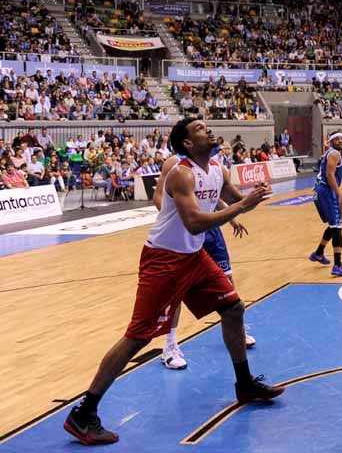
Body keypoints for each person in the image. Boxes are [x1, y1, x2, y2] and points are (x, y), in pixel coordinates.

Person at [63, 118, 280, 446]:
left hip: (193, 257)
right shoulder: (181, 173)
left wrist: (256, 195)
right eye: (200, 129)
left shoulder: (217, 168)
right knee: (138, 337)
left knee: (233, 308)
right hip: (163, 259)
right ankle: (84, 413)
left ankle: (245, 384)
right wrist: (240, 205)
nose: (208, 130)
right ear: (188, 144)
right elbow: (194, 223)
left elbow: (238, 199)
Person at [153, 146, 254, 371]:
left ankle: (237, 330)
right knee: (176, 291)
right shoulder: (174, 164)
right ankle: (169, 346)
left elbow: (213, 197)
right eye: (201, 130)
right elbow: (158, 196)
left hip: (210, 230)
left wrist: (232, 219)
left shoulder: (213, 166)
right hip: (184, 233)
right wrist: (173, 218)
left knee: (227, 281)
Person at [309, 132, 342, 276]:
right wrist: (340, 195)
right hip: (327, 192)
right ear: (331, 142)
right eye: (336, 139)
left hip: (321, 190)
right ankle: (337, 265)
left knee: (333, 225)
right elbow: (329, 175)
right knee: (337, 227)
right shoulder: (334, 154)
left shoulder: (331, 153)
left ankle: (318, 253)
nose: (340, 141)